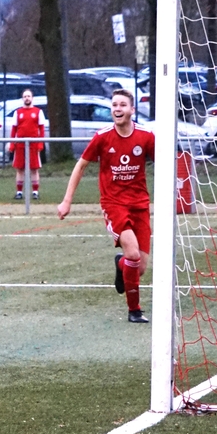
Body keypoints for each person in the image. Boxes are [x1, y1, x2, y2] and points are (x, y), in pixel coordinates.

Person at [57, 89, 153, 323]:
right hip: (114, 204)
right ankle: (134, 310)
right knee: (133, 254)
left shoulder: (146, 137)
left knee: (139, 267)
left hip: (140, 205)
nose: (117, 109)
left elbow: (163, 162)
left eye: (122, 105)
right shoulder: (102, 137)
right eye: (114, 105)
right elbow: (80, 166)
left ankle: (121, 264)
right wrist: (67, 200)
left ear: (132, 110)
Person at [8, 89, 45, 200]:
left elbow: (41, 129)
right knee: (20, 168)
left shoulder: (38, 112)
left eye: (28, 96)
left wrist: (40, 143)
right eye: (25, 96)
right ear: (22, 99)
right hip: (20, 145)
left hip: (33, 145)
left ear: (32, 98)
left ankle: (35, 192)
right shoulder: (18, 113)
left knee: (34, 168)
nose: (27, 98)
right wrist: (12, 143)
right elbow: (14, 129)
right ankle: (19, 192)